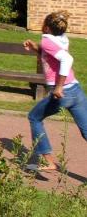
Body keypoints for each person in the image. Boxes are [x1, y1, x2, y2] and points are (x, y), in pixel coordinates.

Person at [24, 11, 87, 171]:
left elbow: (67, 59)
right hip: (76, 90)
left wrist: (58, 87)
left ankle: (49, 162)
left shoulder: (47, 40)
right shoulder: (62, 39)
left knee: (34, 117)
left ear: (46, 27)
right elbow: (52, 56)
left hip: (62, 93)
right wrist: (36, 48)